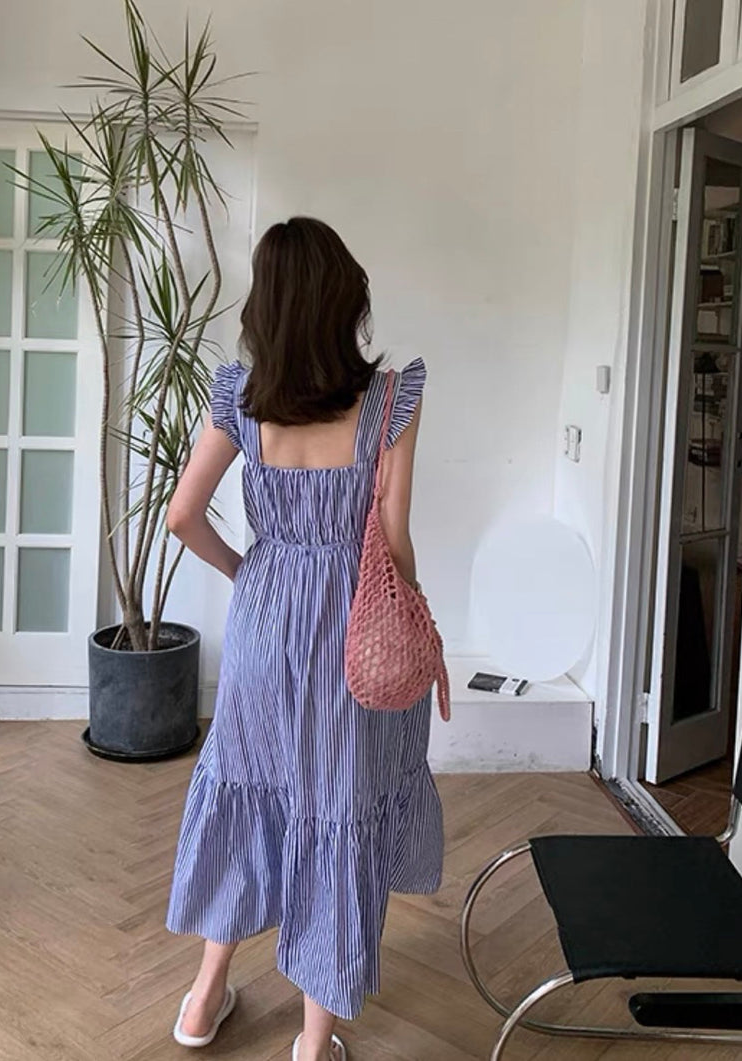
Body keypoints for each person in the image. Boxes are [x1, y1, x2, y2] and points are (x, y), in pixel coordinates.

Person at [165, 217, 443, 1061]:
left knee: (248, 791)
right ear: (344, 299)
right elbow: (392, 536)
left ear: (268, 309)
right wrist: (416, 617)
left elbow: (182, 515)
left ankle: (202, 999)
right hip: (353, 635)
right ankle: (314, 1042)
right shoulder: (389, 402)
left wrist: (248, 572)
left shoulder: (242, 398)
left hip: (262, 623)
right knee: (336, 806)